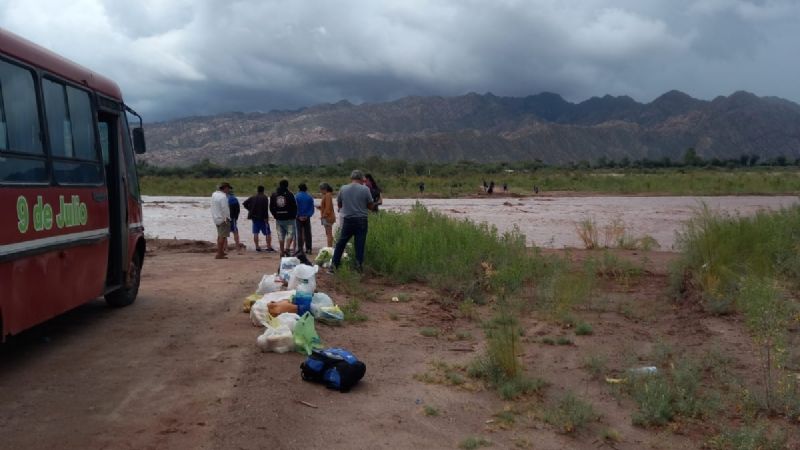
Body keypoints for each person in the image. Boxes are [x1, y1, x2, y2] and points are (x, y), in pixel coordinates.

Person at [331, 170, 374, 272]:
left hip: (348, 220)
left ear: (351, 178)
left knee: (341, 243)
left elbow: (340, 205)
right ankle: (358, 268)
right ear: (361, 179)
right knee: (359, 244)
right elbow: (370, 206)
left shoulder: (343, 188)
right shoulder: (365, 189)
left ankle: (333, 266)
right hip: (361, 220)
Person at [243, 185, 275, 252]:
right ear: (263, 190)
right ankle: (269, 247)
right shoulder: (264, 197)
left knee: (255, 232)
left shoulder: (253, 197)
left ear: (257, 190)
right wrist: (266, 218)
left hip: (254, 218)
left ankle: (257, 247)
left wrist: (250, 210)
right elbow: (265, 209)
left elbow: (244, 203)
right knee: (268, 233)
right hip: (263, 218)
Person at [269, 179, 297, 257]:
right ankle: (287, 248)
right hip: (289, 219)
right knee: (290, 233)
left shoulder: (274, 194)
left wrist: (275, 215)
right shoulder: (290, 194)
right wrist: (293, 215)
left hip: (278, 218)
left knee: (280, 235)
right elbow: (294, 206)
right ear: (287, 185)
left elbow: (271, 207)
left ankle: (281, 251)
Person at [210, 182, 232, 259]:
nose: (229, 190)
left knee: (220, 235)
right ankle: (219, 254)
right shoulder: (223, 197)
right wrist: (227, 219)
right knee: (222, 236)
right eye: (228, 188)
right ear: (225, 188)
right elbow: (225, 209)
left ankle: (220, 252)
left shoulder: (214, 194)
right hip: (223, 219)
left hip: (216, 218)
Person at [295, 182, 315, 254]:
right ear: (306, 189)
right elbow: (312, 208)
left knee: (299, 234)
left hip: (298, 218)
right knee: (308, 233)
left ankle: (300, 249)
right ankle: (309, 249)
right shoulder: (309, 197)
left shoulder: (296, 196)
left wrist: (298, 216)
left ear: (299, 189)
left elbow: (294, 208)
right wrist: (307, 216)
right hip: (307, 218)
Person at [317, 182, 336, 247]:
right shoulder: (327, 195)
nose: (320, 191)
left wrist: (323, 216)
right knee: (328, 233)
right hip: (328, 217)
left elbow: (328, 208)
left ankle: (330, 248)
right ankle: (331, 247)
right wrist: (320, 208)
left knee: (329, 234)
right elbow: (327, 207)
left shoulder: (327, 195)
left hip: (328, 218)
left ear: (324, 189)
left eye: (321, 189)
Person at [228, 188, 244, 253]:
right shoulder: (235, 199)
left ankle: (225, 248)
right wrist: (236, 218)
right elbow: (238, 210)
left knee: (224, 234)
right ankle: (237, 248)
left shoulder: (224, 199)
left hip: (225, 219)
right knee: (235, 232)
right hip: (233, 218)